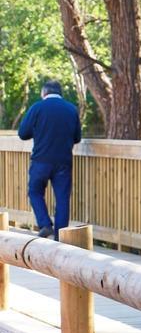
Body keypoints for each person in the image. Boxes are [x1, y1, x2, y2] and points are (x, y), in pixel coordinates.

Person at [18, 79, 82, 239]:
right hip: (63, 162)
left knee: (35, 191)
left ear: (44, 92)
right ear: (60, 93)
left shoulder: (37, 108)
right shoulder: (71, 109)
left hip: (41, 160)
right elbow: (77, 138)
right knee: (62, 198)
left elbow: (23, 133)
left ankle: (45, 224)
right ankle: (61, 237)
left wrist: (39, 132)